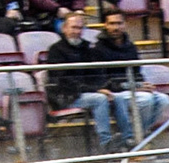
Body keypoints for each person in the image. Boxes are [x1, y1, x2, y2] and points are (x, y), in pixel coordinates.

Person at [47, 12, 146, 149]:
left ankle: (127, 138)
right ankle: (105, 142)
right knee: (100, 99)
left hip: (88, 92)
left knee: (117, 97)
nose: (77, 32)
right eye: (73, 27)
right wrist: (96, 89)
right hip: (67, 96)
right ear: (64, 28)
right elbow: (63, 81)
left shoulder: (88, 48)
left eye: (80, 28)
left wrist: (102, 87)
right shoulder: (55, 50)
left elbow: (98, 74)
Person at [93, 10, 169, 136]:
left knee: (164, 100)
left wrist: (142, 84)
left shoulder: (130, 47)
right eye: (112, 24)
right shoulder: (97, 49)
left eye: (119, 23)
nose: (116, 27)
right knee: (147, 100)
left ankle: (136, 135)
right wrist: (134, 86)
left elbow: (137, 72)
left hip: (132, 88)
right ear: (105, 25)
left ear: (124, 25)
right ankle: (136, 137)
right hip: (114, 92)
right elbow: (103, 81)